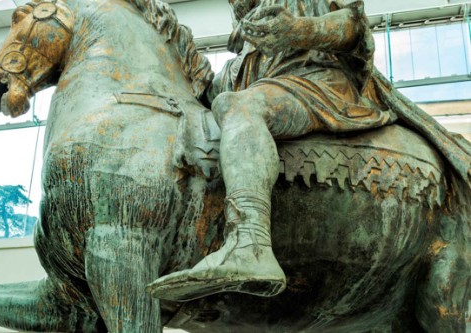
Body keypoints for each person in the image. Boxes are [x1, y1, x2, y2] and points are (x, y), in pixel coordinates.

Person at [148, 0, 471, 302]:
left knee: (239, 107)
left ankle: (249, 242)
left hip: (318, 85)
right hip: (272, 92)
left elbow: (352, 26)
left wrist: (299, 29)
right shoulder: (246, 42)